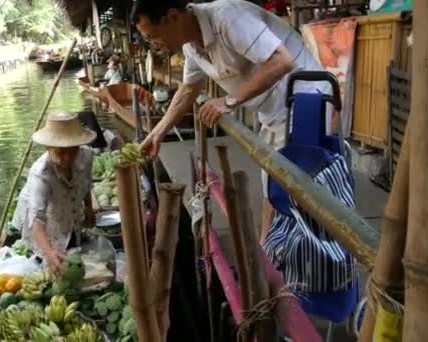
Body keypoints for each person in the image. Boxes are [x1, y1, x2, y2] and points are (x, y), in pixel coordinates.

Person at [132, 0, 330, 239]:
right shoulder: (191, 46)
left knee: (292, 191)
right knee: (273, 185)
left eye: (153, 36)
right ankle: (268, 254)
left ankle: (289, 257)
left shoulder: (228, 18)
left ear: (173, 17)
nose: (155, 45)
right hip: (274, 110)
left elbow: (282, 61)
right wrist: (158, 132)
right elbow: (188, 90)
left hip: (305, 100)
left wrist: (228, 101)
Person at [11, 113, 96, 275]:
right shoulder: (41, 173)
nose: (67, 158)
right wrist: (49, 252)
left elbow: (85, 182)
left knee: (72, 240)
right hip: (44, 218)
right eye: (60, 153)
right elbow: (37, 218)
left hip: (68, 206)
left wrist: (89, 207)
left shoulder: (86, 156)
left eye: (72, 151)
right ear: (48, 148)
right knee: (50, 255)